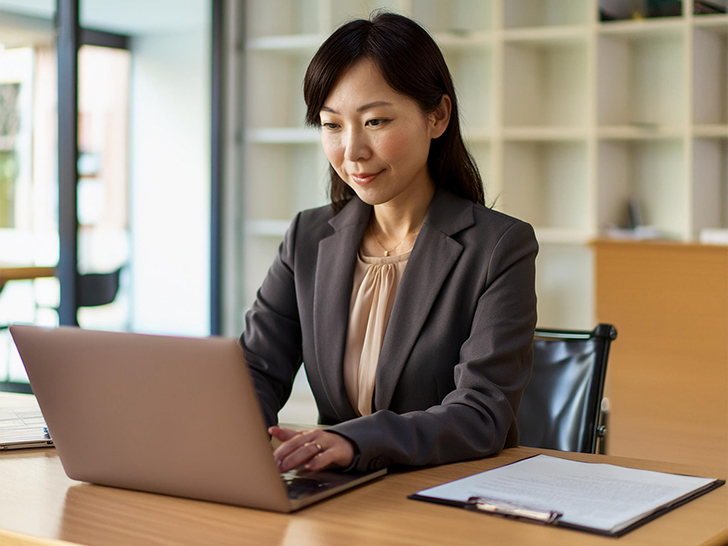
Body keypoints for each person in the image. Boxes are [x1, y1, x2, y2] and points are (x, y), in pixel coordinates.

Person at [240, 11, 538, 474]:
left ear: (437, 117)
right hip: (336, 497)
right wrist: (238, 436)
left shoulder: (499, 247)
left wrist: (354, 441)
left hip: (444, 495)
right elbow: (255, 370)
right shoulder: (308, 237)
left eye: (375, 121)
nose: (352, 151)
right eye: (331, 125)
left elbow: (481, 415)